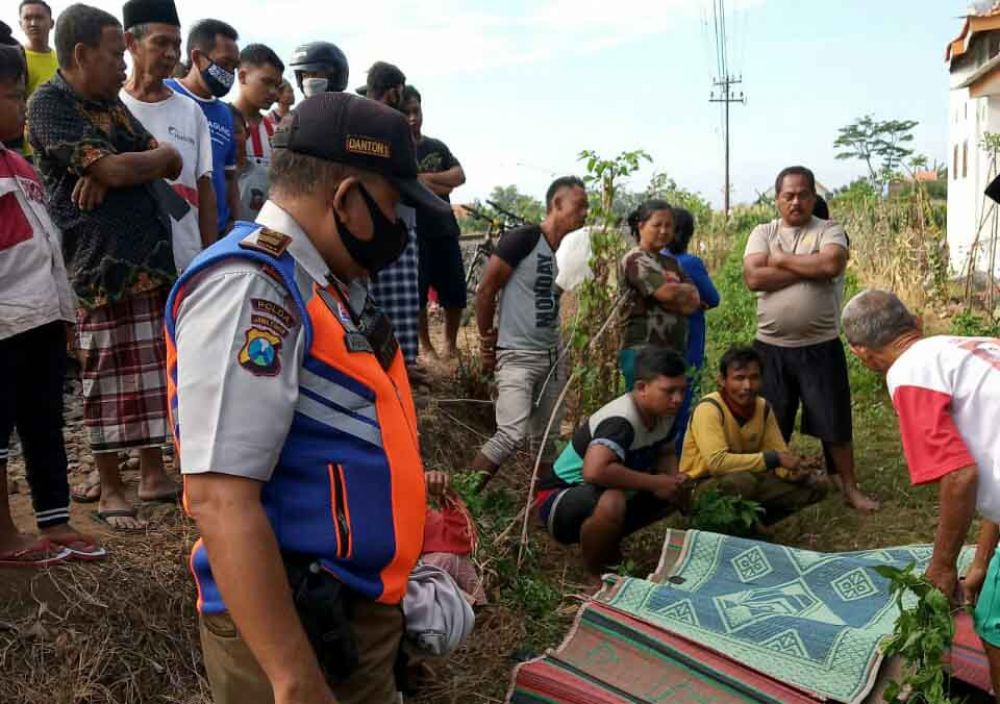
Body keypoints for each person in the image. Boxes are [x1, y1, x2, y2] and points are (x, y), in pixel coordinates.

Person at [167, 91, 451, 704]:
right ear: (346, 198)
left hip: (348, 612)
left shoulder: (323, 281)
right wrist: (293, 678)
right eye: (394, 206)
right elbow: (220, 498)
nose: (400, 228)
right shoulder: (250, 288)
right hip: (297, 626)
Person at [28, 3, 182, 529]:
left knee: (151, 371)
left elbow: (167, 158)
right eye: (116, 54)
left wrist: (126, 169)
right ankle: (112, 486)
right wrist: (123, 167)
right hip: (97, 268)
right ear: (80, 53)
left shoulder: (110, 105)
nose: (124, 65)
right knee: (108, 376)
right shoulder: (48, 105)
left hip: (148, 260)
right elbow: (123, 163)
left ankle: (152, 473)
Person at [840, 289, 1000, 691]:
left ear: (860, 353)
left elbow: (960, 476)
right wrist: (979, 561)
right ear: (917, 324)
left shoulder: (911, 372)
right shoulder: (973, 348)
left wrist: (943, 565)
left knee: (995, 624)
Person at [0, 20, 106, 566]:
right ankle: (3, 535)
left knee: (44, 421)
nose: (22, 106)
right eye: (13, 95)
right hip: (5, 324)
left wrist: (66, 316)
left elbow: (48, 245)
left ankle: (55, 520)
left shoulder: (21, 166)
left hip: (41, 318)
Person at [743, 165, 878, 512]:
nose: (796, 201)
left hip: (820, 346)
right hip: (770, 348)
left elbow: (830, 265)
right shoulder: (763, 232)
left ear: (813, 197)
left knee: (834, 420)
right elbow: (754, 277)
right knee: (771, 421)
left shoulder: (830, 229)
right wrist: (808, 267)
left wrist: (783, 260)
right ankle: (767, 487)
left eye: (803, 194)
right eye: (788, 195)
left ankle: (849, 488)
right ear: (777, 199)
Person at [467, 176, 589, 488]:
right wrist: (486, 338)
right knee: (510, 434)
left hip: (552, 356)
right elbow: (486, 290)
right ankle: (461, 497)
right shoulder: (523, 239)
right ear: (556, 204)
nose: (585, 212)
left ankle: (540, 508)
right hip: (519, 356)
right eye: (580, 205)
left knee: (545, 439)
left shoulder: (559, 249)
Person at [535, 346, 689, 580]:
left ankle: (607, 544)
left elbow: (665, 450)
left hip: (603, 492)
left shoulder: (664, 413)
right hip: (558, 500)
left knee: (673, 491)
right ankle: (597, 574)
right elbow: (594, 471)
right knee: (613, 501)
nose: (677, 399)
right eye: (669, 391)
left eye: (681, 391)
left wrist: (672, 477)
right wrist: (656, 482)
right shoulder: (621, 421)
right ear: (642, 388)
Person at [120, 0, 217, 273]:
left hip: (187, 263)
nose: (171, 53)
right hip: (132, 265)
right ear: (131, 42)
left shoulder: (191, 111)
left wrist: (209, 261)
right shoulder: (112, 106)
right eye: (161, 43)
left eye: (176, 44)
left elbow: (205, 190)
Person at [680, 346, 826, 525]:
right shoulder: (709, 409)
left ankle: (754, 522)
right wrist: (775, 459)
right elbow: (717, 463)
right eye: (739, 378)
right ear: (722, 381)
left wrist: (794, 471)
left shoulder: (763, 408)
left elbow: (779, 453)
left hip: (748, 478)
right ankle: (721, 524)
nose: (747, 386)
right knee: (742, 481)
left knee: (816, 486)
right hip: (704, 486)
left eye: (754, 378)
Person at [363, 61, 425, 376]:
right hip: (393, 216)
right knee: (399, 298)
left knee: (369, 298)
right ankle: (401, 364)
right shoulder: (393, 123)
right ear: (394, 92)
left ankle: (382, 364)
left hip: (360, 219)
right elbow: (409, 174)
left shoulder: (355, 117)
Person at [402, 85, 467, 359]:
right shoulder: (399, 151)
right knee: (417, 293)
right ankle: (426, 347)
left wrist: (424, 181)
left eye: (416, 110)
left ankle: (450, 345)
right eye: (406, 113)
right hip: (415, 232)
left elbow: (460, 176)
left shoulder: (436, 146)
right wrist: (441, 184)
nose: (413, 117)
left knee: (455, 289)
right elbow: (407, 187)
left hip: (445, 228)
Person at [165, 19, 240, 236]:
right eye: (224, 64)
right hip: (173, 230)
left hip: (215, 233)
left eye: (234, 67)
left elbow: (229, 176)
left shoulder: (225, 113)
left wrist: (234, 220)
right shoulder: (165, 92)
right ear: (197, 58)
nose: (229, 74)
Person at [619, 199, 700, 390]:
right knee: (643, 413)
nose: (663, 231)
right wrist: (676, 290)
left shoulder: (671, 263)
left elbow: (694, 300)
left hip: (672, 353)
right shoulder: (636, 259)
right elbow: (665, 293)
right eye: (657, 225)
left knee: (667, 414)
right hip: (643, 353)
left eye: (669, 226)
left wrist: (676, 291)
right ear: (641, 226)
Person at [667, 207, 720, 453]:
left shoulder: (650, 260)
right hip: (688, 342)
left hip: (658, 343)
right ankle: (677, 461)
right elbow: (713, 298)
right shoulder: (690, 263)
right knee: (683, 400)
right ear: (689, 234)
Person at [232, 43, 283, 168]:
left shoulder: (277, 133)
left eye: (277, 86)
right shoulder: (218, 124)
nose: (273, 92)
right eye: (267, 82)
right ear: (242, 77)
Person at [18, 0, 57, 159]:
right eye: (27, 18)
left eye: (39, 17)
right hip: (28, 151)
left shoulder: (62, 60)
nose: (33, 23)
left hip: (60, 147)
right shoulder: (16, 59)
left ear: (52, 23)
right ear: (20, 24)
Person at [229, 102, 267, 220]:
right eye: (225, 132)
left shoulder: (266, 178)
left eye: (236, 131)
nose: (231, 138)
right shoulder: (206, 180)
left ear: (247, 133)